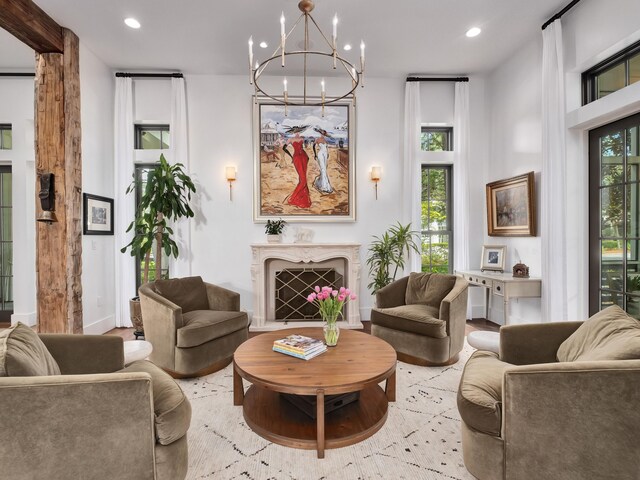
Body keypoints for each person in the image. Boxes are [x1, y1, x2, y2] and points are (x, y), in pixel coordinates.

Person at [282, 125, 311, 208]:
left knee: (302, 178)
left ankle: (302, 196)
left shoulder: (302, 138)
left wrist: (307, 156)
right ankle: (293, 197)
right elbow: (284, 147)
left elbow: (304, 147)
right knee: (303, 179)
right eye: (296, 131)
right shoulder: (290, 139)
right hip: (297, 158)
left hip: (304, 157)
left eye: (299, 131)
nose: (297, 133)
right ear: (294, 132)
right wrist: (291, 156)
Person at [312, 127, 334, 194]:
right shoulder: (317, 139)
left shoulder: (325, 140)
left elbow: (326, 147)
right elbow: (313, 146)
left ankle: (320, 183)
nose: (323, 135)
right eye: (322, 133)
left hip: (325, 154)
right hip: (320, 154)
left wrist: (328, 153)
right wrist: (315, 154)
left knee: (324, 169)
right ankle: (325, 186)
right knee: (323, 169)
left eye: (324, 134)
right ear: (320, 133)